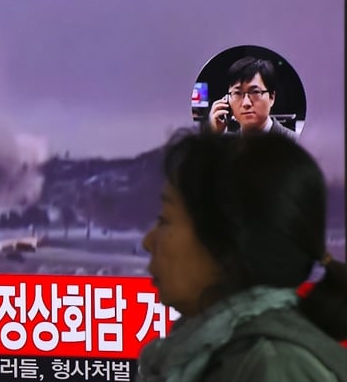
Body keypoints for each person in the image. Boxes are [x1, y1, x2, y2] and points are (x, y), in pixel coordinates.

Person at [138, 129, 347, 382]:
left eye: (165, 221)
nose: (148, 242)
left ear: (228, 246)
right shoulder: (213, 348)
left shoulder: (274, 367)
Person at [207, 56, 298, 140]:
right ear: (227, 100)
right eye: (237, 93)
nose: (246, 103)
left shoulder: (296, 143)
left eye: (255, 92)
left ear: (271, 97)